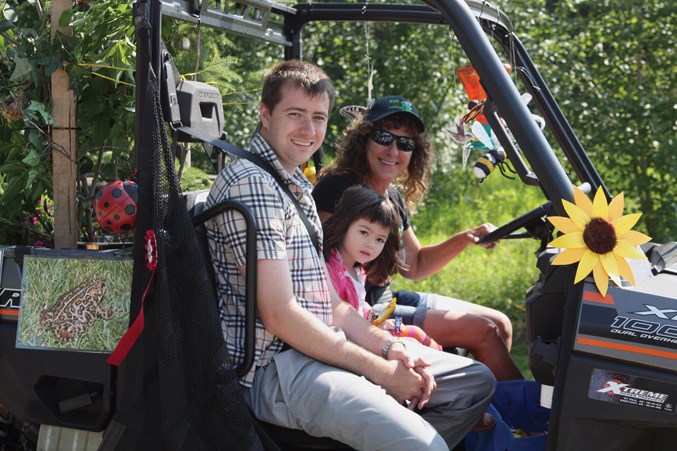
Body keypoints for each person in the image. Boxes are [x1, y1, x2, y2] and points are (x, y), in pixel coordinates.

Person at [205, 60, 496, 450]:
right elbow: (279, 315)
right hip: (278, 365)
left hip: (320, 340)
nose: (309, 131)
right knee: (424, 446)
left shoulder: (292, 185)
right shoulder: (254, 185)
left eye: (318, 118)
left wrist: (389, 348)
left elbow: (331, 303)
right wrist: (382, 371)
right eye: (295, 115)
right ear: (265, 113)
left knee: (475, 383)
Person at [313, 95, 523, 381]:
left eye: (405, 143)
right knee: (484, 331)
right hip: (368, 310)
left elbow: (415, 264)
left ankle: (492, 407)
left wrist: (466, 238)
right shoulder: (338, 188)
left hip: (389, 299)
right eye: (384, 137)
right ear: (363, 140)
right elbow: (324, 265)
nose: (393, 150)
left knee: (501, 323)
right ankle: (523, 413)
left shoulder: (393, 197)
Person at [323, 185, 442, 351]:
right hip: (350, 342)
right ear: (344, 223)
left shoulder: (357, 269)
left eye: (380, 239)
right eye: (364, 232)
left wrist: (376, 318)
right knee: (415, 343)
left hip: (367, 329)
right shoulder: (331, 270)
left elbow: (360, 304)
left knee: (418, 334)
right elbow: (335, 318)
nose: (371, 244)